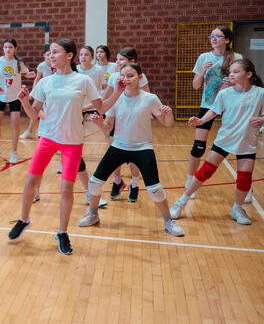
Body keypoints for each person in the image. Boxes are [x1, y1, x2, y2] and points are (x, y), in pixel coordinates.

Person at [8, 39, 104, 255]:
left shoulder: (83, 81)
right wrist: (24, 102)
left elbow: (102, 106)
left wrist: (116, 92)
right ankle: (24, 219)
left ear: (69, 55)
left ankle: (62, 232)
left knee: (66, 188)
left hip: (72, 142)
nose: (50, 56)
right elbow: (34, 115)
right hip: (47, 137)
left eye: (55, 52)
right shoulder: (45, 82)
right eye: (50, 53)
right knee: (31, 180)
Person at [78, 63, 183, 236]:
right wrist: (99, 124)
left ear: (140, 77)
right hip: (119, 146)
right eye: (123, 76)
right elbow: (107, 129)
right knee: (95, 182)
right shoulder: (115, 99)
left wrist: (169, 115)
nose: (126, 79)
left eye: (131, 75)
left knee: (155, 189)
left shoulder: (150, 98)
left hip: (143, 148)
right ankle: (93, 215)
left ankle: (168, 221)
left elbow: (167, 124)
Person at [171, 59, 264, 225]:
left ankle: (237, 208)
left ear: (248, 74)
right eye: (231, 72)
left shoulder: (260, 93)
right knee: (205, 171)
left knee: (244, 178)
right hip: (225, 139)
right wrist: (200, 121)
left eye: (236, 71)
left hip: (247, 142)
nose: (231, 74)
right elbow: (213, 111)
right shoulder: (225, 93)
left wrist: (262, 119)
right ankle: (182, 201)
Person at [187, 26, 241, 195]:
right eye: (212, 36)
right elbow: (196, 86)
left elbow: (244, 83)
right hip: (209, 104)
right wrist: (203, 71)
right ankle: (190, 181)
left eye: (218, 36)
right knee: (198, 146)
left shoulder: (236, 58)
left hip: (230, 105)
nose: (214, 38)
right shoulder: (204, 57)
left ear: (227, 40)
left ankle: (244, 185)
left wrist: (233, 82)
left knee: (240, 146)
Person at [102, 46, 149, 201]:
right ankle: (117, 182)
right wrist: (88, 106)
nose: (117, 61)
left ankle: (134, 184)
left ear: (132, 61)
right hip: (116, 117)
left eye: (121, 59)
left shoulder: (139, 78)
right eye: (116, 59)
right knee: (114, 150)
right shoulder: (114, 76)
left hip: (133, 119)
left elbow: (147, 98)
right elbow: (105, 98)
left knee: (133, 156)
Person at [0, 38, 33, 164]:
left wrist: (29, 75)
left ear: (15, 49)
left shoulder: (18, 63)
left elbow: (25, 73)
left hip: (15, 96)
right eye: (5, 47)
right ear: (3, 49)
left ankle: (14, 152)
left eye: (10, 47)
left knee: (15, 123)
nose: (7, 49)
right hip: (0, 96)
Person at [21, 45, 52, 140]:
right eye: (47, 54)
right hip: (43, 92)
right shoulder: (42, 66)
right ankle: (30, 131)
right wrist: (34, 92)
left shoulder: (56, 64)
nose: (49, 56)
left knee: (45, 113)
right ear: (44, 55)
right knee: (36, 111)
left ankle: (41, 132)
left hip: (53, 93)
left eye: (51, 54)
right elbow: (37, 79)